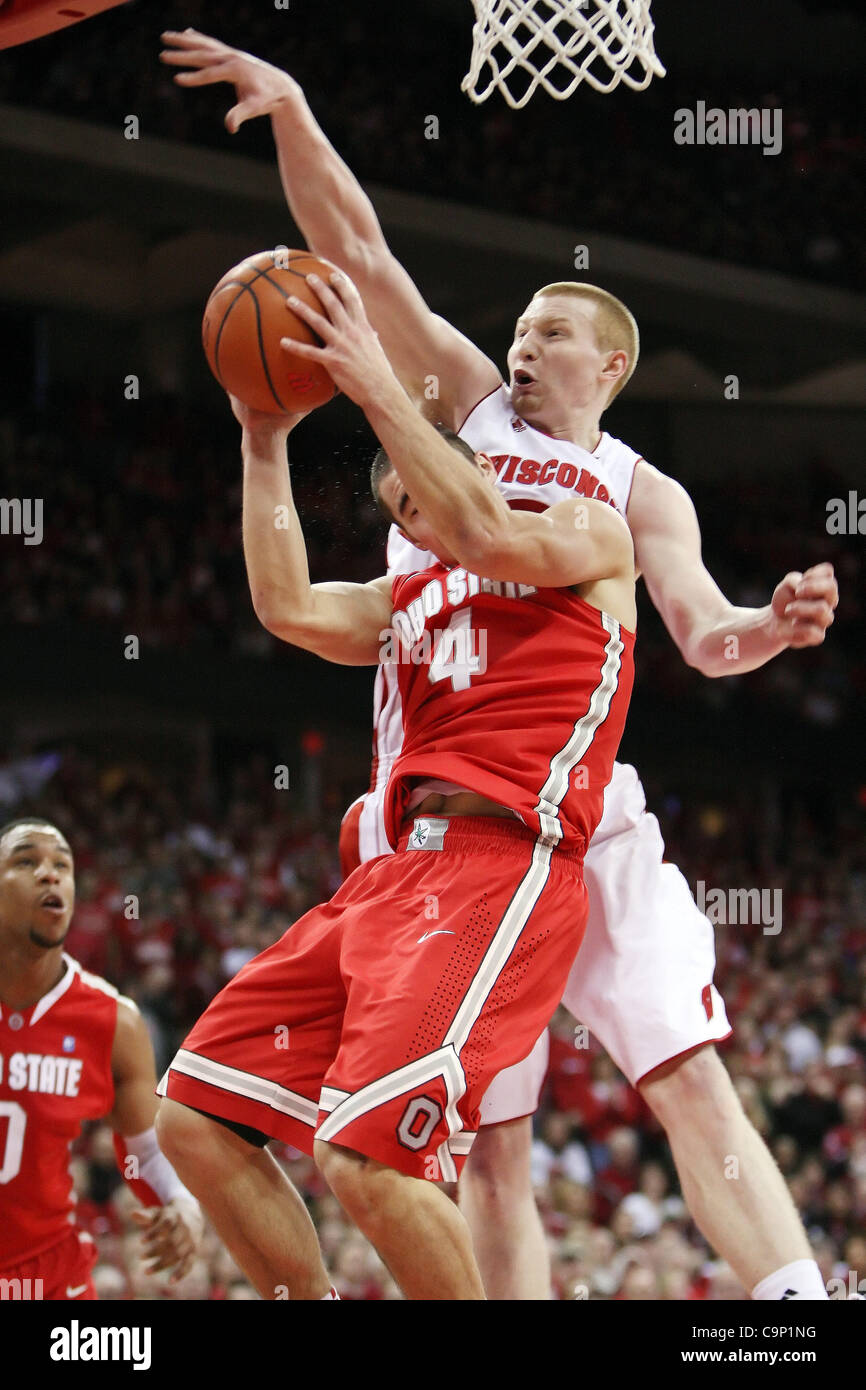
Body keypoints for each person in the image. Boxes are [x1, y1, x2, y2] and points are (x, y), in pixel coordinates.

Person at [159, 31, 839, 1301]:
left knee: (682, 1066)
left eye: (549, 333)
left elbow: (699, 632)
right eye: (516, 328)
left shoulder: (631, 493)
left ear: (611, 367)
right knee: (487, 1144)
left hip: (571, 813)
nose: (519, 348)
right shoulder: (464, 413)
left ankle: (795, 1307)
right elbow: (358, 252)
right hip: (435, 831)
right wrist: (298, 112)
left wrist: (771, 623)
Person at [155, 268, 637, 1301]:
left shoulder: (584, 530)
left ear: (459, 466)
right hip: (383, 881)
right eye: (395, 511)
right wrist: (261, 437)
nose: (410, 519)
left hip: (498, 864)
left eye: (417, 493)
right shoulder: (405, 591)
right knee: (191, 1115)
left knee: (364, 1156)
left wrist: (374, 381)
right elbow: (285, 605)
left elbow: (482, 529)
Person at [0, 818, 202, 1301]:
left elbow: (146, 1151)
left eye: (62, 866)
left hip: (47, 1279)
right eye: (26, 861)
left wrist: (181, 1205)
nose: (50, 875)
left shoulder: (115, 1023)